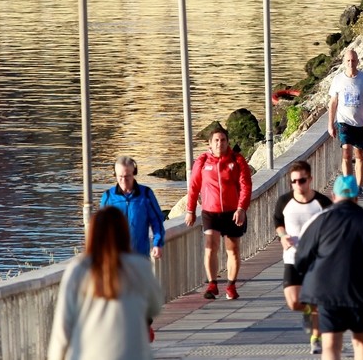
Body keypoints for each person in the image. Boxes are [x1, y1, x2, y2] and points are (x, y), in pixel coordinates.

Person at [294, 175, 363, 360]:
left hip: (328, 292)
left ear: (333, 196)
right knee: (362, 344)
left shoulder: (320, 221)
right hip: (362, 292)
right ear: (356, 197)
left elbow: (301, 257)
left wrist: (306, 280)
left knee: (331, 348)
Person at [48, 207, 163, 360]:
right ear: (124, 234)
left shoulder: (78, 270)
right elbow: (155, 306)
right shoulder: (140, 266)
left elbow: (63, 328)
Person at [185, 125, 253, 300]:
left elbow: (246, 185)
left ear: (228, 142)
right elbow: (193, 187)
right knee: (211, 247)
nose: (219, 144)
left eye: (223, 140)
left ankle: (231, 285)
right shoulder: (202, 161)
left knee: (233, 249)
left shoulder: (237, 160)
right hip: (210, 212)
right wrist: (190, 210)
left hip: (232, 212)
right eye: (216, 140)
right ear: (209, 143)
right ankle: (212, 284)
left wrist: (241, 208)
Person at [273, 161, 332, 354]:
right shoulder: (284, 202)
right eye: (294, 181)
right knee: (294, 302)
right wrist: (282, 236)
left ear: (310, 180)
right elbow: (278, 222)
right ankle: (307, 312)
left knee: (315, 300)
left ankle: (316, 338)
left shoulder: (322, 203)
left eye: (302, 180)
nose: (298, 185)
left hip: (317, 261)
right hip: (292, 257)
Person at [328, 48, 363, 194]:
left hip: (361, 122)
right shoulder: (338, 80)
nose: (351, 63)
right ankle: (348, 185)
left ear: (358, 61)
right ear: (344, 62)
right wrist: (330, 124)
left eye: (353, 60)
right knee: (346, 152)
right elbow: (333, 103)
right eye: (348, 61)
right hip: (344, 121)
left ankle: (359, 186)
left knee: (359, 154)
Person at [99, 155, 165, 260]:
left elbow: (157, 221)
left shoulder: (146, 194)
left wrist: (158, 243)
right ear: (115, 175)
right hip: (115, 259)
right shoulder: (108, 197)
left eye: (127, 176)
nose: (124, 181)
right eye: (120, 177)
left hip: (140, 257)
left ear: (134, 173)